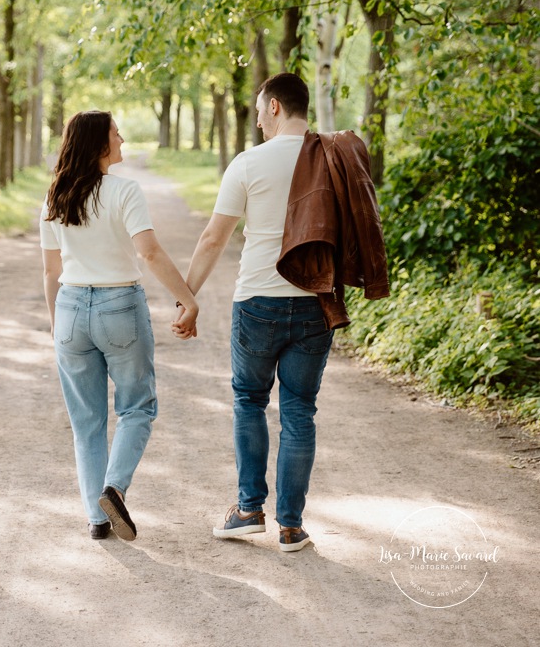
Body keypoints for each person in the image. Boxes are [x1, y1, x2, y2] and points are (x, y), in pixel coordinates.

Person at [186, 72, 388, 553]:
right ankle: (292, 527)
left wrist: (186, 297)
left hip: (257, 300)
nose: (256, 120)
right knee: (300, 412)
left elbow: (214, 238)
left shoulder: (249, 163)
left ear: (275, 106)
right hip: (317, 301)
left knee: (249, 401)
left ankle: (249, 509)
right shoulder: (333, 157)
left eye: (259, 109)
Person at [40, 109, 198, 542]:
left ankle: (97, 516)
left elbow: (51, 272)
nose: (123, 139)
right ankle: (114, 488)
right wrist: (187, 298)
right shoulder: (124, 191)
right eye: (116, 133)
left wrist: (58, 326)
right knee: (137, 407)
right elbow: (148, 253)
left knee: (87, 422)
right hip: (119, 307)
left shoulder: (55, 197)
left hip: (70, 308)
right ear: (99, 143)